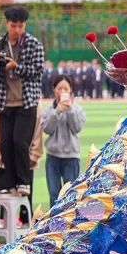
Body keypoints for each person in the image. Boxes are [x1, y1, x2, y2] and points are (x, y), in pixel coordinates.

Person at [0, 5, 45, 195]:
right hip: (4, 101)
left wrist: (16, 67)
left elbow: (37, 72)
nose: (17, 30)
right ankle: (7, 184)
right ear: (7, 24)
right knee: (5, 143)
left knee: (20, 141)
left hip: (26, 101)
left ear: (25, 25)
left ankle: (23, 182)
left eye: (21, 26)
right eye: (13, 26)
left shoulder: (34, 45)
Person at [40, 74, 87, 207]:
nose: (62, 92)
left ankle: (69, 226)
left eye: (65, 89)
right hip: (53, 157)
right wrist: (57, 111)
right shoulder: (49, 110)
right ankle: (53, 225)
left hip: (71, 157)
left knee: (70, 195)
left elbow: (76, 128)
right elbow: (47, 129)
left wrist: (69, 109)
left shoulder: (77, 109)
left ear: (71, 90)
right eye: (59, 88)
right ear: (54, 90)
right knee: (54, 194)